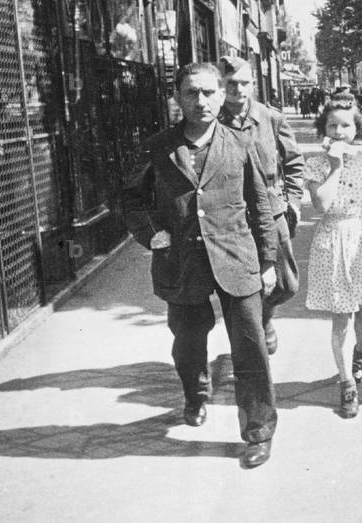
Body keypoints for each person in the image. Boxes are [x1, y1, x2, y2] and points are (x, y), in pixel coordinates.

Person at [119, 63, 279, 469]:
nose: (202, 101)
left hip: (236, 257)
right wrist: (151, 233)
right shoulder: (158, 146)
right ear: (178, 96)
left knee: (251, 347)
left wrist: (269, 259)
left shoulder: (241, 143)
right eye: (192, 92)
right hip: (181, 261)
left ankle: (258, 431)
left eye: (210, 92)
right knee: (188, 343)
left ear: (223, 94)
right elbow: (130, 199)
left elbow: (260, 205)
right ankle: (195, 392)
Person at [304, 93, 362, 419]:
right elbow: (322, 205)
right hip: (332, 238)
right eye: (332, 125)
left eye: (345, 125)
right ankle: (346, 382)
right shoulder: (315, 163)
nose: (339, 131)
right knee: (341, 315)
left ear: (357, 127)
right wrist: (336, 166)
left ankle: (361, 352)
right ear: (323, 128)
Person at [218, 56, 305, 356]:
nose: (238, 90)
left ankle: (265, 315)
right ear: (222, 86)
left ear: (253, 84)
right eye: (231, 84)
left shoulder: (271, 119)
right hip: (233, 215)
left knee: (287, 284)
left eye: (244, 83)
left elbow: (294, 162)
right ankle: (253, 334)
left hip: (271, 210)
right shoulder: (213, 122)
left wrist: (293, 201)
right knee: (241, 284)